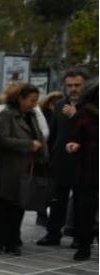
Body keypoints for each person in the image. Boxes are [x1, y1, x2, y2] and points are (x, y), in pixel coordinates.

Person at [0, 84, 47, 256]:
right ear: (20, 98)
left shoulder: (31, 115)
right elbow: (1, 139)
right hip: (7, 168)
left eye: (36, 101)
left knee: (18, 206)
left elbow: (40, 137)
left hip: (26, 169)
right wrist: (28, 144)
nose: (34, 104)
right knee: (2, 206)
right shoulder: (6, 114)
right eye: (31, 100)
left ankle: (13, 240)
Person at [39, 69, 90, 246]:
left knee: (81, 202)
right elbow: (53, 134)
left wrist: (76, 115)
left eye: (77, 85)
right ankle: (53, 234)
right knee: (57, 200)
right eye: (69, 86)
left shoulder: (92, 106)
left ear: (85, 86)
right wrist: (49, 156)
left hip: (84, 162)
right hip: (60, 161)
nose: (73, 89)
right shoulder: (60, 105)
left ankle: (79, 237)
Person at [62, 83, 97, 260]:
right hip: (89, 168)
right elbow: (75, 136)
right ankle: (84, 245)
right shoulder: (86, 112)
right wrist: (73, 144)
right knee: (86, 208)